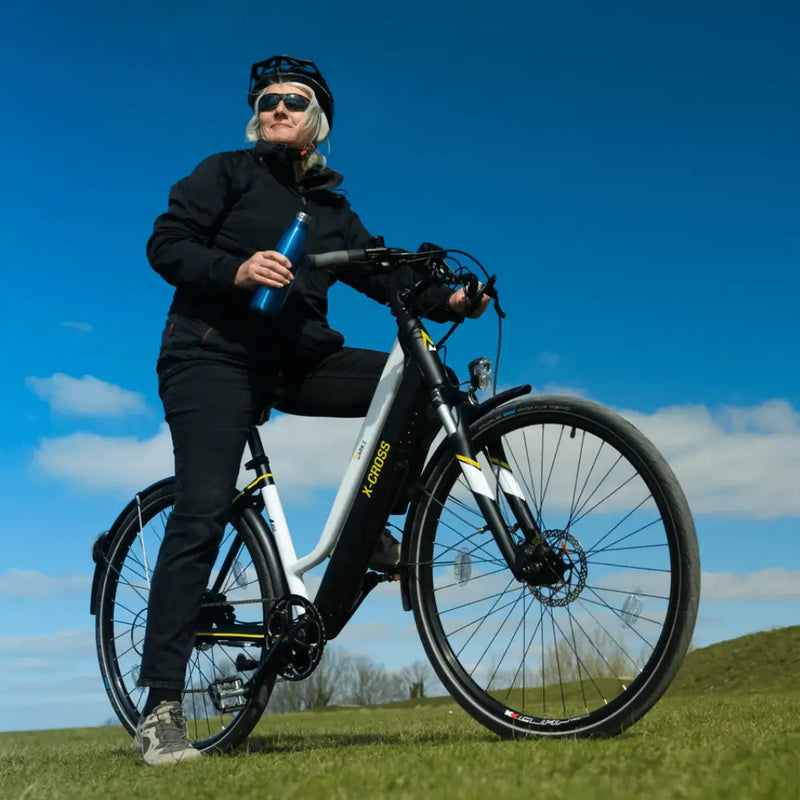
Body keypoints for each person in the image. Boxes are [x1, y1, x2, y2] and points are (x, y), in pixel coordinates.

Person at [136, 54, 489, 766]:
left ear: (317, 119)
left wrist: (449, 299)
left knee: (423, 377)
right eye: (266, 100)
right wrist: (235, 270)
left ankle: (380, 538)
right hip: (213, 355)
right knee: (203, 508)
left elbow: (381, 274)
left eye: (292, 100)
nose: (275, 108)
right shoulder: (227, 173)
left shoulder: (330, 209)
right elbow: (166, 243)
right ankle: (161, 710)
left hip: (299, 361)